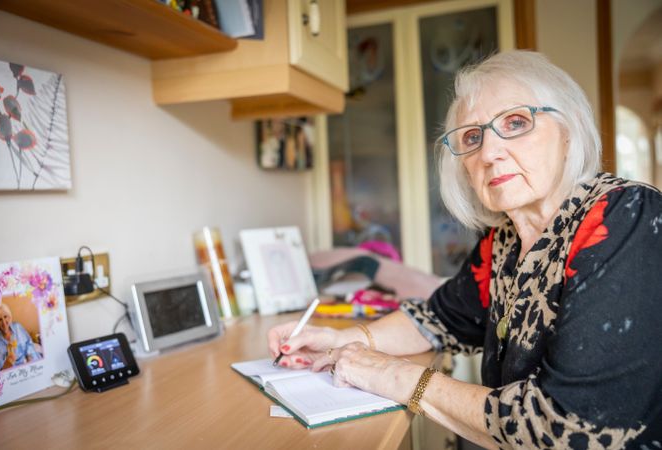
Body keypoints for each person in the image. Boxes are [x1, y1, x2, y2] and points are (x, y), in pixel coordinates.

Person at [268, 51, 662, 449]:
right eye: (472, 137)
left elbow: (565, 428)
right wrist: (342, 339)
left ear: (568, 132)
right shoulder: (505, 240)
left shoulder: (627, 217)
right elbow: (439, 318)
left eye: (516, 122)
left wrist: (395, 377)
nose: (488, 153)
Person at [0, 303, 41, 369]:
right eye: (0, 320)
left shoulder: (17, 327)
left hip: (27, 361)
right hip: (13, 371)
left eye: (5, 317)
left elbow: (28, 342)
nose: (4, 322)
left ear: (9, 317)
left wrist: (29, 357)